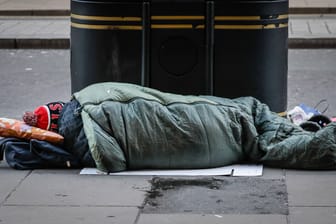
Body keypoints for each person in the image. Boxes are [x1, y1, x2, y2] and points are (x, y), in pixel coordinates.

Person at [1, 82, 336, 172]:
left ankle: (311, 131)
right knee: (252, 120)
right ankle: (321, 134)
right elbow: (157, 101)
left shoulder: (86, 148)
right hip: (228, 123)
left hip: (224, 130)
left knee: (256, 126)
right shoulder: (93, 98)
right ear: (59, 111)